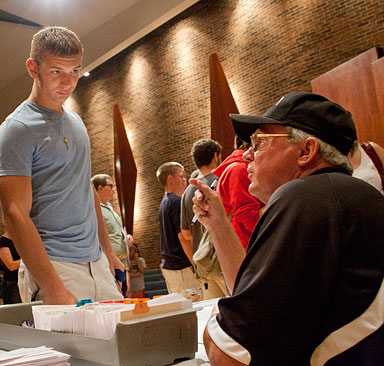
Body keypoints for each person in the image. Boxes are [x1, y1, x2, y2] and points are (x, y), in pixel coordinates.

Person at [192, 92, 384, 365]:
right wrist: (219, 225)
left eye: (259, 142)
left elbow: (232, 355)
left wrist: (215, 317)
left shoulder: (304, 196)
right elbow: (251, 292)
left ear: (306, 151)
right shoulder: (350, 196)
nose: (247, 154)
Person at [0, 26, 123, 305]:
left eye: (75, 71)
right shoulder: (17, 128)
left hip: (96, 262)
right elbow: (15, 213)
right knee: (72, 350)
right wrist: (51, 287)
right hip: (55, 265)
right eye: (56, 71)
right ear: (33, 68)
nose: (67, 82)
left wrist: (107, 252)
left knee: (119, 343)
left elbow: (86, 189)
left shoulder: (75, 121)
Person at [179, 139, 225, 299]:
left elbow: (185, 234)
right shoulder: (221, 181)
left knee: (214, 316)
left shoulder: (187, 192)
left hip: (203, 265)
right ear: (215, 156)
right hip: (224, 262)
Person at [156, 162, 200, 299]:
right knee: (195, 305)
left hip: (170, 267)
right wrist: (195, 263)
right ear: (170, 179)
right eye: (181, 176)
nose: (184, 180)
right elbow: (183, 236)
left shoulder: (165, 202)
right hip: (181, 266)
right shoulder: (176, 202)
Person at [211, 136, 264, 250]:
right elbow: (249, 218)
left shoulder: (239, 167)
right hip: (246, 246)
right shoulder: (239, 169)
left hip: (247, 243)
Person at [92, 174, 128, 295]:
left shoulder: (110, 208)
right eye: (110, 186)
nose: (113, 189)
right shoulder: (95, 208)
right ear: (100, 188)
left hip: (121, 262)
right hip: (108, 263)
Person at [0, 233, 22, 304]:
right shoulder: (3, 241)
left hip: (26, 281)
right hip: (13, 283)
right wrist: (32, 260)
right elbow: (11, 265)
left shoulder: (23, 239)